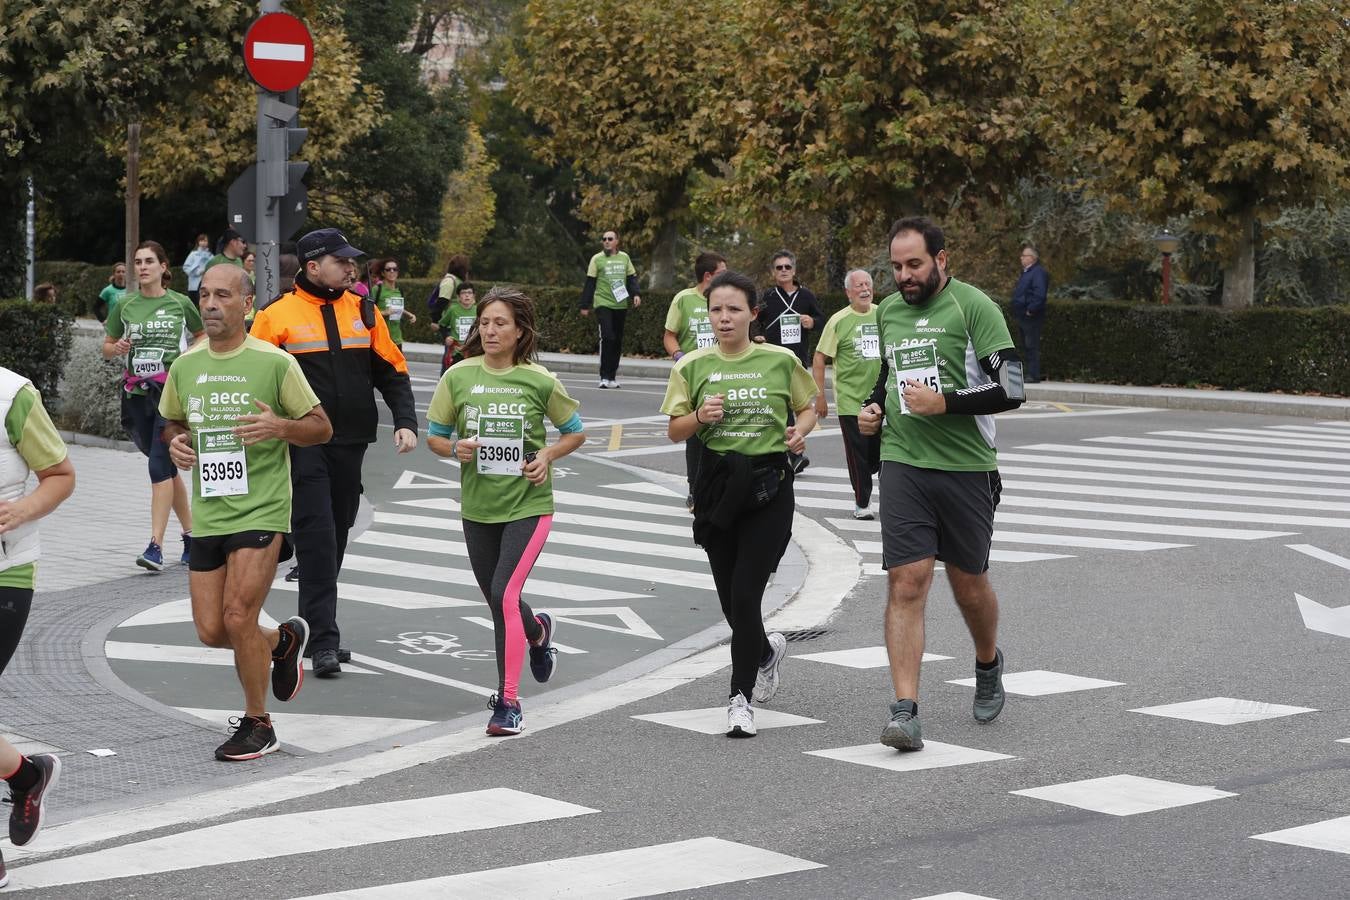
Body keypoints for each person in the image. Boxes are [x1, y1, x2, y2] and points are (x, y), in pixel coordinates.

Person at [858, 216, 1025, 752]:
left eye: (915, 265)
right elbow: (888, 377)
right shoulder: (886, 312)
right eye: (897, 267)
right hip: (904, 462)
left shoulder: (973, 307)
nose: (904, 277)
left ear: (941, 260)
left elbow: (1013, 387)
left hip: (967, 467)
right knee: (907, 582)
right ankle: (905, 710)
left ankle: (987, 661)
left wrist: (947, 404)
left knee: (968, 582)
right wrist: (874, 409)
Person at [160, 264, 332, 761]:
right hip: (210, 511)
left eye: (222, 296)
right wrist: (178, 444)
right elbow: (172, 421)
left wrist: (279, 426)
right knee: (212, 629)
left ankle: (259, 722)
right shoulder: (185, 366)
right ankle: (280, 640)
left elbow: (320, 427)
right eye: (204, 295)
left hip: (262, 508)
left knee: (238, 616)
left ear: (247, 305)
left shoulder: (274, 363)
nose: (210, 304)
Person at [249, 228, 419, 678]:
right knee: (320, 533)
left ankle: (310, 614)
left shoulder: (364, 311)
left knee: (338, 528)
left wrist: (405, 422)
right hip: (302, 444)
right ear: (311, 267)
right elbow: (253, 380)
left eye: (351, 261)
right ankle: (323, 639)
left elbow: (393, 371)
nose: (351, 267)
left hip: (351, 442)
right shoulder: (275, 316)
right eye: (341, 261)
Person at [660, 270, 818, 738]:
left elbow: (810, 406)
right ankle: (766, 652)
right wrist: (699, 416)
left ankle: (739, 700)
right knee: (732, 604)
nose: (724, 318)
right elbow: (674, 430)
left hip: (769, 486)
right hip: (717, 489)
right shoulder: (691, 365)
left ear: (753, 313)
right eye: (716, 310)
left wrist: (799, 430)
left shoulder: (779, 360)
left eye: (733, 309)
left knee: (747, 594)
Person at [426, 286, 583, 735]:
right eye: (485, 322)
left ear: (519, 332)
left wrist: (546, 457)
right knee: (500, 601)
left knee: (503, 595)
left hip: (529, 505)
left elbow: (575, 433)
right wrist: (455, 447)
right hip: (478, 507)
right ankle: (537, 633)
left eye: (500, 323)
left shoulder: (539, 380)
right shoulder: (458, 376)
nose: (490, 330)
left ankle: (508, 702)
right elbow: (436, 435)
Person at [0, 366, 75, 885]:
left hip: (5, 571)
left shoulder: (11, 394)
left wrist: (20, 510)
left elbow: (61, 475)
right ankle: (27, 776)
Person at [103, 240, 204, 571]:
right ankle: (192, 538)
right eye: (137, 262)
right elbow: (106, 346)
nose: (142, 267)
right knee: (166, 469)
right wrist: (116, 347)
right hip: (136, 397)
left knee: (158, 467)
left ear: (164, 267)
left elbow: (201, 335)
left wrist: (187, 355)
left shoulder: (180, 303)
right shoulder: (124, 305)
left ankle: (155, 546)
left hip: (171, 397)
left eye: (149, 261)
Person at [813, 269, 882, 520]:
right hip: (851, 401)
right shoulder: (839, 320)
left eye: (868, 284)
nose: (864, 289)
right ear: (848, 292)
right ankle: (862, 503)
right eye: (858, 285)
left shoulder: (882, 315)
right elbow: (820, 357)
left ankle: (895, 499)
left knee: (883, 453)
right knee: (859, 455)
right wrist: (820, 396)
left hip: (882, 397)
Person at [662, 251, 726, 510]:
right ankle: (694, 490)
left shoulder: (724, 299)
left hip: (722, 373)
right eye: (722, 273)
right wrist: (679, 356)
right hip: (693, 377)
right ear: (708, 276)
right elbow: (669, 336)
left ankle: (721, 486)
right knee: (695, 434)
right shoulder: (684, 299)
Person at [757, 250, 823, 473]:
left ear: (794, 270)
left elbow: (822, 320)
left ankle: (791, 451)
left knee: (799, 406)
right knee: (781, 404)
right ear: (773, 272)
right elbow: (755, 319)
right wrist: (757, 336)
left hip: (797, 360)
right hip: (773, 360)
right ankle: (794, 453)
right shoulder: (768, 297)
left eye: (787, 267)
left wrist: (811, 322)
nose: (783, 271)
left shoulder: (806, 296)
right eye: (779, 268)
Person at [579, 230, 641, 388]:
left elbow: (631, 278)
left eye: (610, 239)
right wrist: (584, 305)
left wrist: (636, 294)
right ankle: (604, 376)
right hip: (603, 303)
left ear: (616, 241)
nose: (606, 241)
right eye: (604, 239)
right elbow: (590, 282)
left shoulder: (624, 258)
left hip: (620, 304)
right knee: (608, 337)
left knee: (618, 339)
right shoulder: (597, 259)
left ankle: (612, 377)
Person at [1011, 243, 1048, 383]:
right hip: (1023, 315)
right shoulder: (1027, 273)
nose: (1021, 258)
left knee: (1031, 345)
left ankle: (1033, 375)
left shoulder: (1037, 273)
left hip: (1030, 317)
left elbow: (1040, 294)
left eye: (1024, 255)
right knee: (1025, 346)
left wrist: (1031, 310)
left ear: (1032, 258)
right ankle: (1029, 373)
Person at [372, 258, 416, 350]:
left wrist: (410, 315)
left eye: (394, 269)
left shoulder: (399, 291)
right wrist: (385, 313)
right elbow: (368, 312)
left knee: (398, 365)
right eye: (388, 269)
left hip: (397, 339)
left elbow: (397, 309)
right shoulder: (377, 290)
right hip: (381, 338)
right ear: (383, 273)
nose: (392, 272)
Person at [438, 282, 478, 374]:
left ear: (473, 296)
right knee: (451, 375)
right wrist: (446, 337)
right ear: (458, 297)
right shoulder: (453, 310)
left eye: (469, 293)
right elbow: (442, 325)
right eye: (463, 293)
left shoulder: (478, 310)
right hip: (456, 351)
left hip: (473, 350)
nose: (467, 295)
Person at [430, 254, 470, 322]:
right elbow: (442, 302)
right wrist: (435, 321)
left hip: (457, 319)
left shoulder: (458, 280)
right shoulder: (449, 281)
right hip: (448, 322)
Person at [182, 233, 212, 307]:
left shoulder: (210, 255)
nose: (203, 243)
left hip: (207, 282)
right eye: (201, 240)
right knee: (195, 305)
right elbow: (185, 267)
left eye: (205, 241)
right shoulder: (193, 254)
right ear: (198, 242)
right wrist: (197, 272)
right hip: (194, 283)